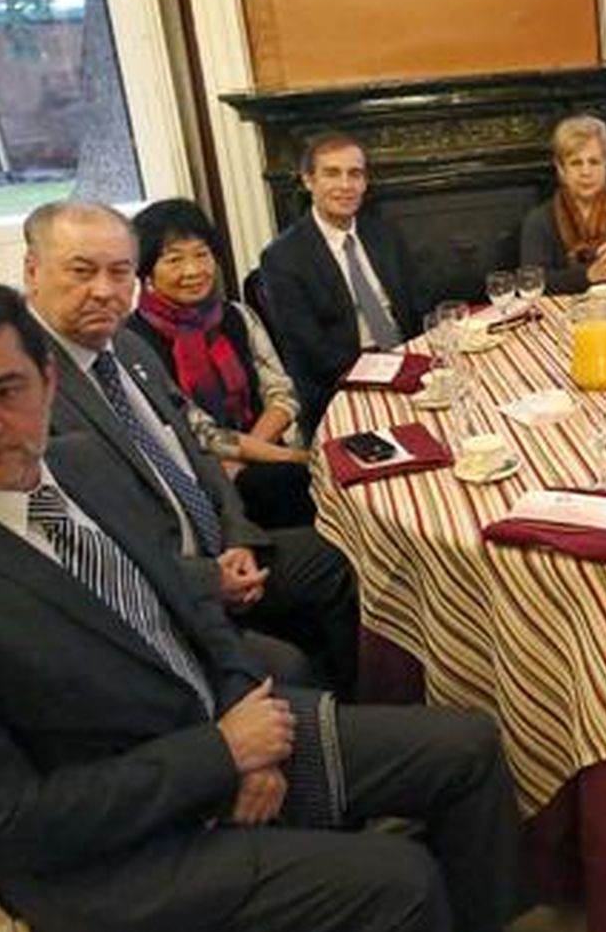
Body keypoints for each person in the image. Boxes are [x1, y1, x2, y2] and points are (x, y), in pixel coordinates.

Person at [0, 279, 524, 932]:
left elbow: (194, 609)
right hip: (113, 854)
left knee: (469, 745)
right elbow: (3, 825)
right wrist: (219, 755)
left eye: (6, 390)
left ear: (49, 382)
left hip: (219, 725)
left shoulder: (82, 463)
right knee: (400, 882)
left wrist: (240, 717)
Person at [24, 201, 360, 698]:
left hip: (221, 546)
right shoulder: (26, 386)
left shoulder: (126, 351)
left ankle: (350, 704)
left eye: (118, 272)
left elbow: (195, 453)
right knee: (286, 665)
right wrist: (208, 578)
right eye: (81, 271)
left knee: (345, 553)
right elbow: (82, 543)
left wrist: (239, 539)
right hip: (157, 591)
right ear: (32, 272)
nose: (103, 290)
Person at [129, 198, 314, 530]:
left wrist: (251, 454)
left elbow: (283, 392)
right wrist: (292, 458)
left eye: (202, 255)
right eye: (174, 260)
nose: (193, 271)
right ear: (147, 273)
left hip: (260, 450)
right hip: (198, 468)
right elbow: (198, 431)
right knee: (293, 485)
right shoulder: (133, 342)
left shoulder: (238, 316)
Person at [260, 132, 417, 433]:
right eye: (332, 173)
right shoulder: (283, 258)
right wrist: (385, 375)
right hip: (340, 387)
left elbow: (416, 302)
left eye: (355, 174)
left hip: (405, 364)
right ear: (308, 180)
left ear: (365, 182)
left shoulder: (383, 234)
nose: (345, 185)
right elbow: (312, 351)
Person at [518, 115, 606, 295]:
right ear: (561, 170)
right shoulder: (539, 220)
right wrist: (589, 275)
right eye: (576, 163)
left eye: (594, 162)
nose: (586, 172)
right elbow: (531, 283)